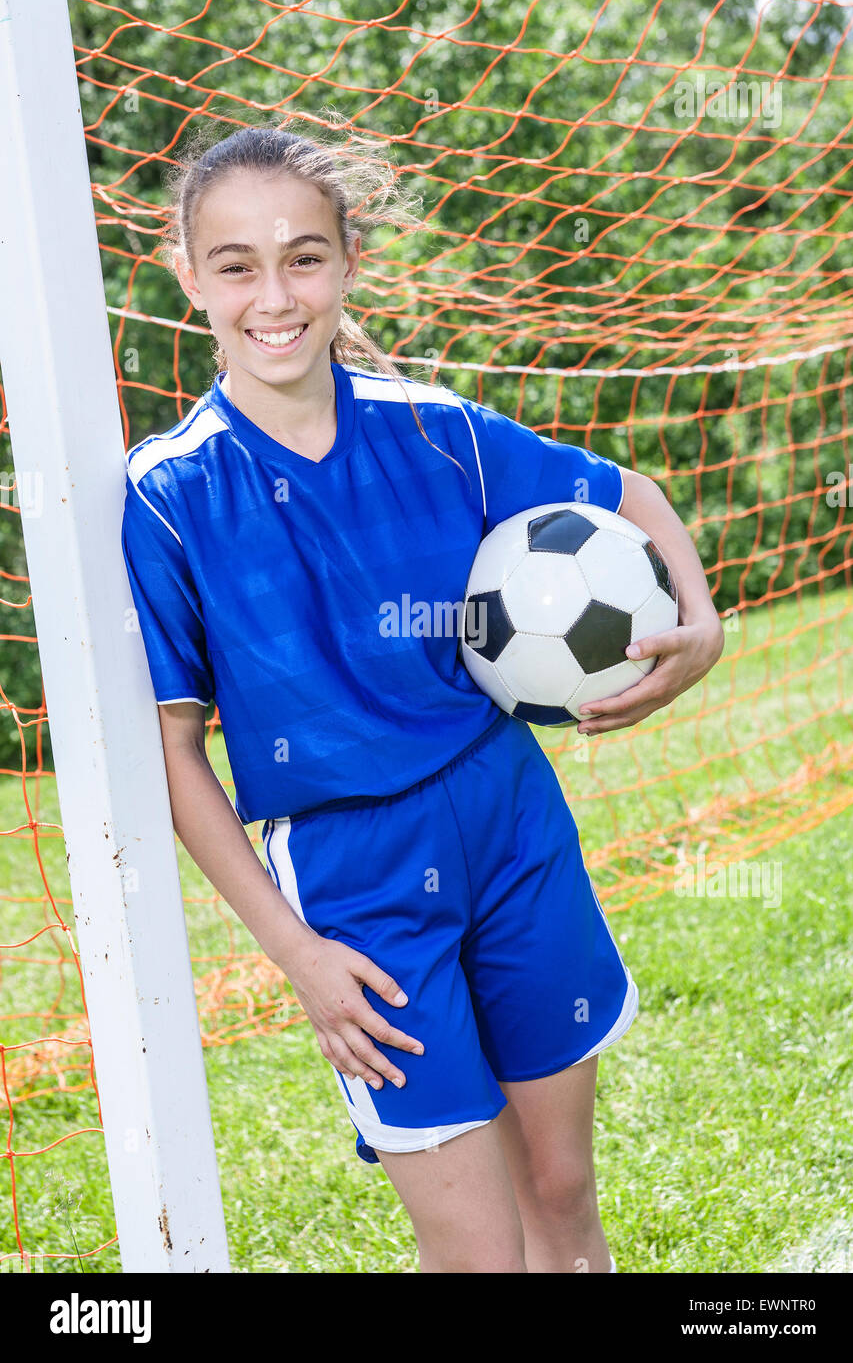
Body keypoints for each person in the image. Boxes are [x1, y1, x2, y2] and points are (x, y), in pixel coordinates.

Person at [121, 117, 724, 1274]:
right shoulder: (168, 494)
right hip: (355, 879)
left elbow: (630, 492)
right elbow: (172, 752)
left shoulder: (441, 431)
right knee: (476, 1253)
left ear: (348, 258)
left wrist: (693, 626)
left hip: (509, 819)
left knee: (559, 1190)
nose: (275, 295)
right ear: (188, 276)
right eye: (236, 264)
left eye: (304, 255)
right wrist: (293, 951)